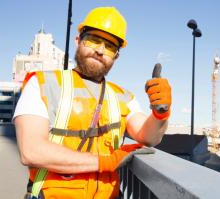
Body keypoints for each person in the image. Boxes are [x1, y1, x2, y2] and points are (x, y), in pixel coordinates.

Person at [14, 6, 172, 199]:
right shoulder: (42, 84)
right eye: (94, 40)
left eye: (110, 46)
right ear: (78, 40)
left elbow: (149, 137)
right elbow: (31, 151)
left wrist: (160, 114)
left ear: (116, 56)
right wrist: (105, 161)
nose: (100, 50)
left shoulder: (123, 97)